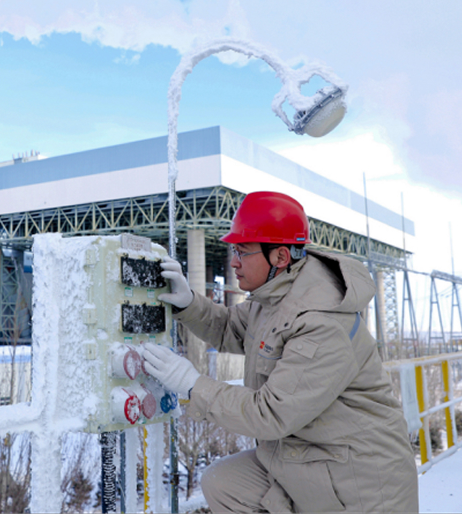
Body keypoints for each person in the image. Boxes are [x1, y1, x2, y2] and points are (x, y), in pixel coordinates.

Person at [142, 191, 418, 513]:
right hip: (310, 455)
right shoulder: (275, 297)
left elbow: (270, 414)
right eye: (233, 250)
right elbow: (231, 328)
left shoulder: (321, 321)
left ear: (281, 257)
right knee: (224, 483)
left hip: (359, 480)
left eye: (242, 251)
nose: (233, 262)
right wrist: (189, 304)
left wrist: (192, 384)